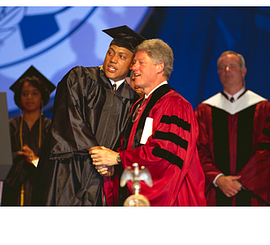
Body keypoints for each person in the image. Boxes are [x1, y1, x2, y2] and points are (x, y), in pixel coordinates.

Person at [31, 25, 144, 206]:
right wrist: (95, 150)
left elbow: (130, 139)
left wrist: (115, 162)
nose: (113, 60)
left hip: (102, 178)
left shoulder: (133, 98)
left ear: (132, 64)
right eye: (110, 53)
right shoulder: (80, 77)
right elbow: (69, 116)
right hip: (67, 170)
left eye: (121, 56)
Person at [89, 39, 206, 206]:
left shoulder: (175, 105)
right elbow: (131, 149)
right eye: (134, 62)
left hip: (172, 200)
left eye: (140, 63)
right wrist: (113, 167)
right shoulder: (140, 105)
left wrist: (117, 158)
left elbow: (164, 156)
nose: (133, 67)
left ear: (159, 67)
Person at [195, 51, 270, 206]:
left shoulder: (263, 108)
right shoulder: (205, 110)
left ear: (243, 71)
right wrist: (218, 178)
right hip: (216, 193)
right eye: (223, 67)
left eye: (232, 66)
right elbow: (199, 150)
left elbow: (266, 151)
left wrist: (241, 182)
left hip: (252, 194)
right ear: (218, 73)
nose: (227, 70)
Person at [1, 66, 56, 206]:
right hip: (13, 189)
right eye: (25, 94)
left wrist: (36, 160)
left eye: (34, 93)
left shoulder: (51, 127)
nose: (29, 97)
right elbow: (1, 158)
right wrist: (20, 156)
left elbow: (56, 159)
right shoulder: (10, 125)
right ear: (19, 97)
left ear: (42, 97)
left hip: (43, 188)